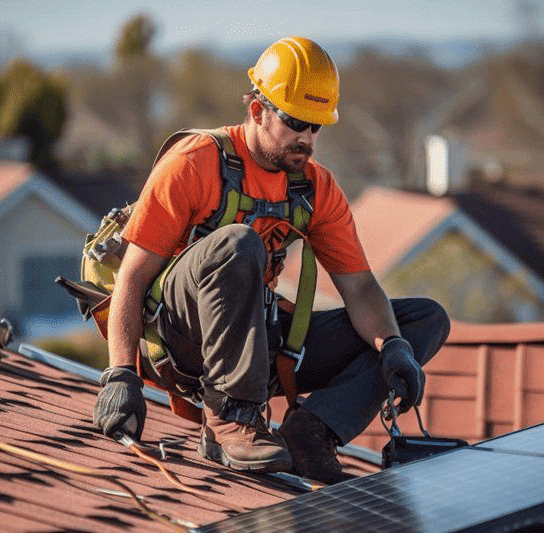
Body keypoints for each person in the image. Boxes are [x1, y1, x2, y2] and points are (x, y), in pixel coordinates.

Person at [92, 36, 450, 484]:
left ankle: (311, 432)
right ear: (258, 111)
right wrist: (120, 375)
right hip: (184, 338)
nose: (307, 137)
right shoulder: (195, 163)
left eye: (317, 126)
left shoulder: (316, 188)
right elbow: (132, 277)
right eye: (296, 121)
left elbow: (359, 288)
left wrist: (394, 348)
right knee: (239, 243)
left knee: (420, 321)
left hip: (259, 344)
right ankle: (229, 417)